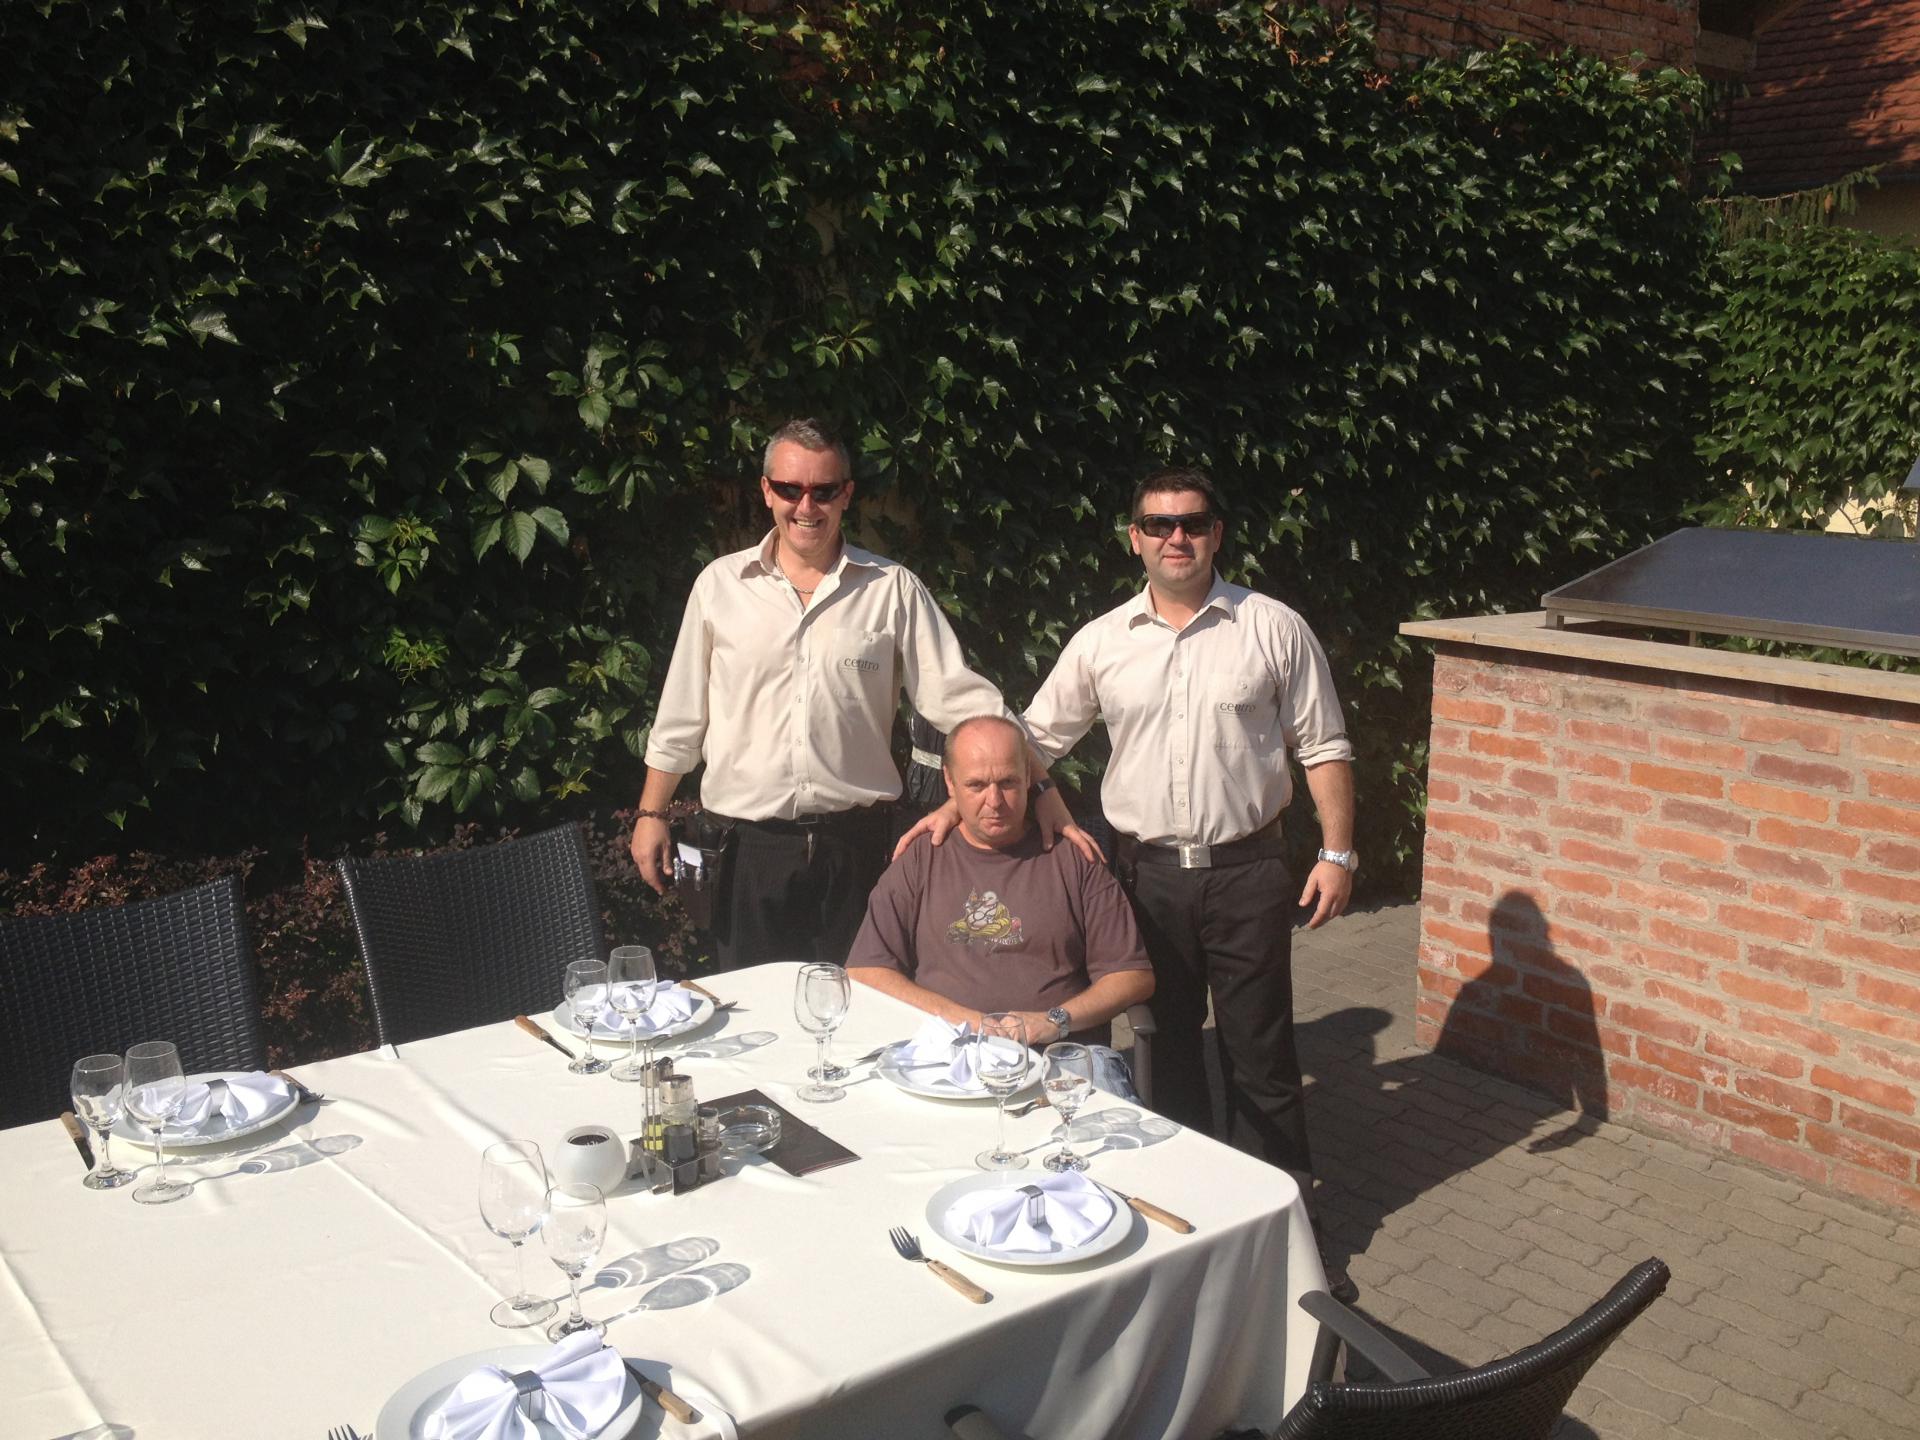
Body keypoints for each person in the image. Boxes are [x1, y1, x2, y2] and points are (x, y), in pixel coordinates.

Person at [900, 466, 1356, 1177]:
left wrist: (1338, 853)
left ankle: (1287, 1214)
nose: (1177, 537)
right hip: (1146, 879)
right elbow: (1031, 741)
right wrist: (958, 802)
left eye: (1193, 523)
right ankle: (1188, 1196)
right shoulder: (1102, 641)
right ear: (1134, 538)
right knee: (1165, 1048)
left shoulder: (1273, 628)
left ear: (1217, 534)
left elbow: (1323, 746)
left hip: (1249, 873)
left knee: (1262, 1055)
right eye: (1158, 525)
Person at [629, 419, 1081, 968]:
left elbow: (965, 702)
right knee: (753, 1013)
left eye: (823, 491)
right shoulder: (720, 586)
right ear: (767, 491)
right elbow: (681, 717)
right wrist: (651, 813)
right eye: (790, 489)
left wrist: (1041, 786)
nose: (806, 506)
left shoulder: (891, 589)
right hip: (747, 851)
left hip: (855, 849)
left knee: (861, 1004)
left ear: (846, 494)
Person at [848, 715, 1154, 1093]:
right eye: (976, 785)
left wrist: (1053, 1020)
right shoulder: (920, 859)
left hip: (1061, 1056)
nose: (994, 802)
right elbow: (865, 970)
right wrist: (966, 1021)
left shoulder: (1073, 859)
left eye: (1007, 783)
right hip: (948, 1054)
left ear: (1028, 777)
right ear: (949, 782)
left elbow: (1132, 976)